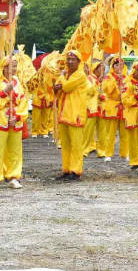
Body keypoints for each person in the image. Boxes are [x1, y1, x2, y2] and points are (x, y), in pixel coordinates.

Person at [0, 55, 29, 189]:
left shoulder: (18, 81)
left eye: (15, 66)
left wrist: (17, 116)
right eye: (10, 67)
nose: (13, 69)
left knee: (15, 151)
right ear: (4, 68)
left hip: (14, 120)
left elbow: (23, 102)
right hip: (0, 119)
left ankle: (13, 176)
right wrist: (4, 92)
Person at [54, 50, 90, 180]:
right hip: (64, 114)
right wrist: (58, 85)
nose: (69, 62)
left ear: (79, 62)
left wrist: (62, 78)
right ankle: (66, 169)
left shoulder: (80, 75)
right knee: (65, 144)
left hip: (75, 114)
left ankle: (76, 170)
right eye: (68, 59)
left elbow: (67, 87)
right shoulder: (66, 74)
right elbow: (56, 88)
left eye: (73, 59)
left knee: (76, 145)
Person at [98, 57, 127, 161]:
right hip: (112, 106)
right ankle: (108, 153)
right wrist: (116, 81)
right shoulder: (108, 77)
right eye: (117, 64)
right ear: (113, 66)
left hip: (123, 106)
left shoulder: (126, 77)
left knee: (124, 133)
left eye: (121, 65)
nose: (119, 67)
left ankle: (124, 153)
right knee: (110, 132)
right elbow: (108, 90)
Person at [83, 61, 103, 157]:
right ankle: (84, 150)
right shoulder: (89, 79)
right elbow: (89, 91)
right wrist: (97, 83)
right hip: (91, 107)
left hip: (100, 107)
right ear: (95, 69)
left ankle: (101, 151)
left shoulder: (101, 80)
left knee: (102, 131)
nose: (102, 70)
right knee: (88, 131)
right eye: (100, 68)